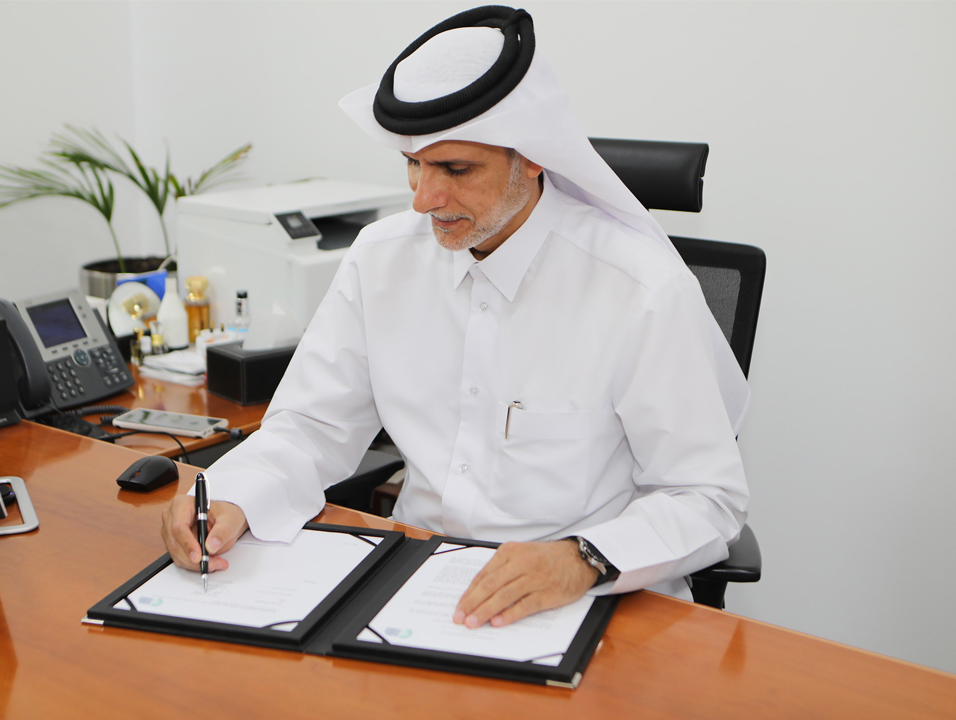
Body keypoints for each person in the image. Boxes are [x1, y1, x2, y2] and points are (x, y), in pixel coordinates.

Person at [160, 6, 749, 629]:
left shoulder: (639, 287)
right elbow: (312, 426)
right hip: (413, 590)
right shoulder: (381, 258)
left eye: (456, 170)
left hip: (586, 602)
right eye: (413, 164)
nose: (424, 199)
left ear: (533, 156)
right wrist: (231, 495)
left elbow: (706, 497)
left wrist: (583, 559)